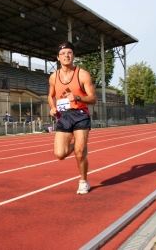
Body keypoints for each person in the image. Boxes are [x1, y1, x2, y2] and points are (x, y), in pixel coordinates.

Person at [47, 41, 96, 195]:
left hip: (80, 115)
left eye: (69, 53)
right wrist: (52, 107)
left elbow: (93, 98)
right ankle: (77, 146)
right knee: (60, 154)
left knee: (80, 154)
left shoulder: (82, 74)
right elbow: (50, 96)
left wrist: (77, 97)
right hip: (64, 116)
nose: (66, 56)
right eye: (63, 53)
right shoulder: (53, 77)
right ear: (58, 57)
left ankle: (83, 181)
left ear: (73, 56)